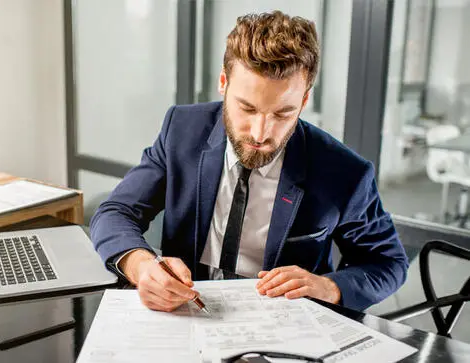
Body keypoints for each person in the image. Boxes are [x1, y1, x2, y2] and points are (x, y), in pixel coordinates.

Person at [90, 10, 408, 313]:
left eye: (283, 114)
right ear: (224, 84)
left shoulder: (344, 171)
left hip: (284, 328)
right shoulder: (182, 130)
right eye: (247, 108)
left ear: (304, 100)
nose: (260, 133)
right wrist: (142, 265)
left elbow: (389, 263)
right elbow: (116, 211)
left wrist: (328, 287)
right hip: (184, 314)